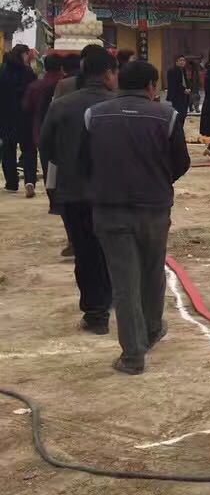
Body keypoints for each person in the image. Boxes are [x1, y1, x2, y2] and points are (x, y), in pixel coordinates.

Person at [84, 61, 191, 374]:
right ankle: (152, 329)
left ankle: (133, 355)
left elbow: (82, 160)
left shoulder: (94, 116)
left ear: (119, 83)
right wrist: (158, 180)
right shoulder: (168, 117)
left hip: (109, 208)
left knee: (124, 283)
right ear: (151, 86)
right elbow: (181, 163)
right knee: (152, 272)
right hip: (154, 209)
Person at [40, 45, 117, 334]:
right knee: (110, 249)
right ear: (110, 73)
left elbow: (45, 149)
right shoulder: (118, 105)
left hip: (73, 191)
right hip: (112, 194)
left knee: (84, 251)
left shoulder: (61, 105)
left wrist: (55, 186)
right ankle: (109, 300)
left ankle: (96, 313)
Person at [0, 44, 38, 196]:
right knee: (28, 150)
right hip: (25, 117)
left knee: (8, 150)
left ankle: (11, 183)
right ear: (23, 54)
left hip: (5, 118)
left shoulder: (3, 71)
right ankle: (29, 180)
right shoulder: (27, 72)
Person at [23, 54, 64, 180]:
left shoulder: (35, 86)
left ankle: (51, 189)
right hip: (65, 132)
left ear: (45, 67)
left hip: (41, 131)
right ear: (61, 67)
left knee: (48, 166)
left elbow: (26, 107)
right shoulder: (68, 85)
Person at [166, 55, 191, 129]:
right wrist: (184, 90)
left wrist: (189, 88)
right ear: (176, 62)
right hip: (177, 96)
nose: (182, 62)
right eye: (180, 60)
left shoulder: (183, 70)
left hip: (184, 96)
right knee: (178, 115)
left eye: (184, 60)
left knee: (183, 114)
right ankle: (177, 131)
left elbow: (185, 82)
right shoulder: (172, 71)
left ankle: (180, 130)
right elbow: (174, 84)